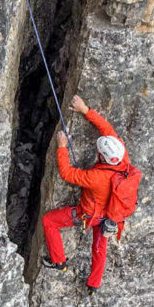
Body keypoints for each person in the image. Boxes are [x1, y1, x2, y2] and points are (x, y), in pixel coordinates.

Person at [41, 95, 130, 294]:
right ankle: (94, 283)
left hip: (88, 214)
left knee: (49, 221)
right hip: (110, 216)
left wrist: (62, 147)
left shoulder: (96, 177)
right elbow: (107, 130)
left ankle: (59, 261)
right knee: (100, 247)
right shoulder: (122, 159)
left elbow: (67, 174)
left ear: (101, 157)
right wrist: (85, 110)